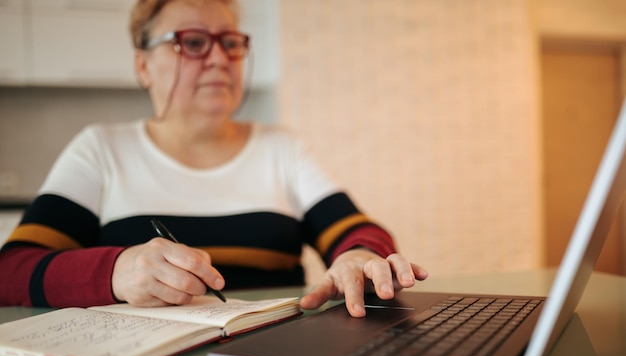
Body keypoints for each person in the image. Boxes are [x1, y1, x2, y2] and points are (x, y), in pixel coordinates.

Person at [0, 0, 427, 317]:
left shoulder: (282, 148)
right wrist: (114, 271)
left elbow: (358, 232)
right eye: (193, 42)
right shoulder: (101, 149)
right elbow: (12, 270)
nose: (220, 59)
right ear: (143, 65)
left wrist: (357, 256)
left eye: (231, 43)